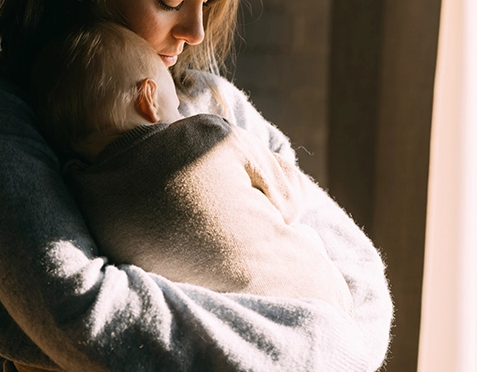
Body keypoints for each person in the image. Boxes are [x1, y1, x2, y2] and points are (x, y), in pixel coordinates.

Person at [0, 0, 393, 370]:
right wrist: (316, 346)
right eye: (170, 1)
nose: (196, 30)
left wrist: (337, 349)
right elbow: (74, 311)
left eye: (206, 1)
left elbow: (351, 265)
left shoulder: (214, 101)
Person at [29, 21, 352, 312]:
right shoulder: (207, 134)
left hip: (221, 321)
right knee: (306, 233)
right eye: (176, 101)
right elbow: (291, 196)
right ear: (149, 99)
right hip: (316, 296)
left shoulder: (79, 193)